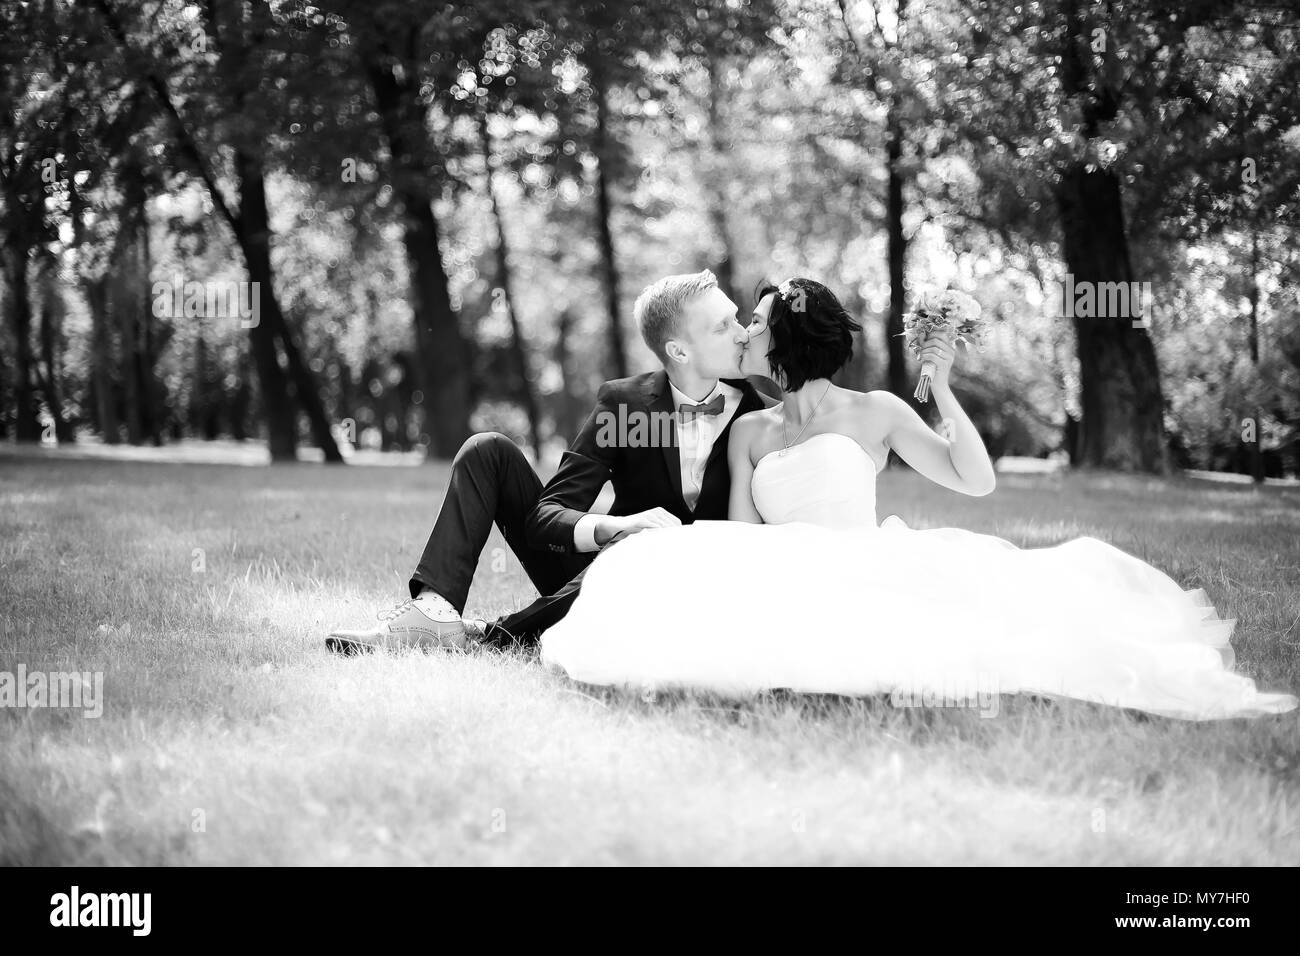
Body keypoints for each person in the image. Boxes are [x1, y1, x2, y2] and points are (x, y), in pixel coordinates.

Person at [538, 278, 1298, 720]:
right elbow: (741, 538)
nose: (744, 336)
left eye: (756, 326)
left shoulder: (877, 412)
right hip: (784, 570)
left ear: (787, 342)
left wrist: (943, 395)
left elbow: (976, 480)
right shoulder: (750, 430)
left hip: (866, 562)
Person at [327, 269, 776, 653]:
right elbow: (546, 516)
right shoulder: (627, 407)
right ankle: (433, 611)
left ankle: (491, 635)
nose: (742, 333)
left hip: (684, 596)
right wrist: (614, 527)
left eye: (737, 319)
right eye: (722, 327)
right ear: (679, 351)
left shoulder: (764, 417)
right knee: (487, 450)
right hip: (600, 573)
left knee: (639, 560)